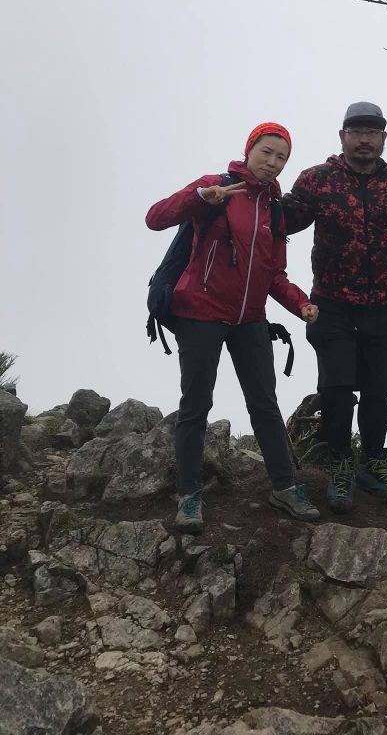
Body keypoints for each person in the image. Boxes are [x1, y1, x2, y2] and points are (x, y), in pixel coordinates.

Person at [145, 123, 321, 533]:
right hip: (201, 313)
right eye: (266, 152)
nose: (273, 162)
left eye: (281, 157)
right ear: (249, 149)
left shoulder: (275, 210)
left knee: (265, 404)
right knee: (196, 405)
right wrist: (199, 198)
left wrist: (301, 304)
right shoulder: (217, 186)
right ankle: (188, 495)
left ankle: (284, 487)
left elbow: (273, 274)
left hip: (250, 319)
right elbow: (155, 218)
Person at [281, 101, 387, 513]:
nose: (364, 140)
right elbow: (285, 220)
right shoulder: (317, 180)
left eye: (372, 133)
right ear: (343, 137)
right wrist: (252, 194)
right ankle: (340, 465)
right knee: (336, 391)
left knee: (377, 391)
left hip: (382, 307)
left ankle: (372, 464)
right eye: (356, 132)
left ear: (383, 138)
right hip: (331, 305)